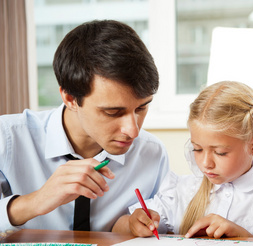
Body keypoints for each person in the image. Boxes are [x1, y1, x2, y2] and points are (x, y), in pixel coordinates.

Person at [0, 20, 169, 233]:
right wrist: (36, 201)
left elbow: (167, 226)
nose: (133, 130)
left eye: (141, 108)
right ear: (70, 98)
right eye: (113, 112)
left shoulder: (152, 153)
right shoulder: (8, 139)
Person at [115, 81, 253, 239]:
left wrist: (244, 237)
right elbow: (118, 227)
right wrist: (134, 223)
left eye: (220, 152)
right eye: (197, 149)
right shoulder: (182, 191)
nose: (206, 163)